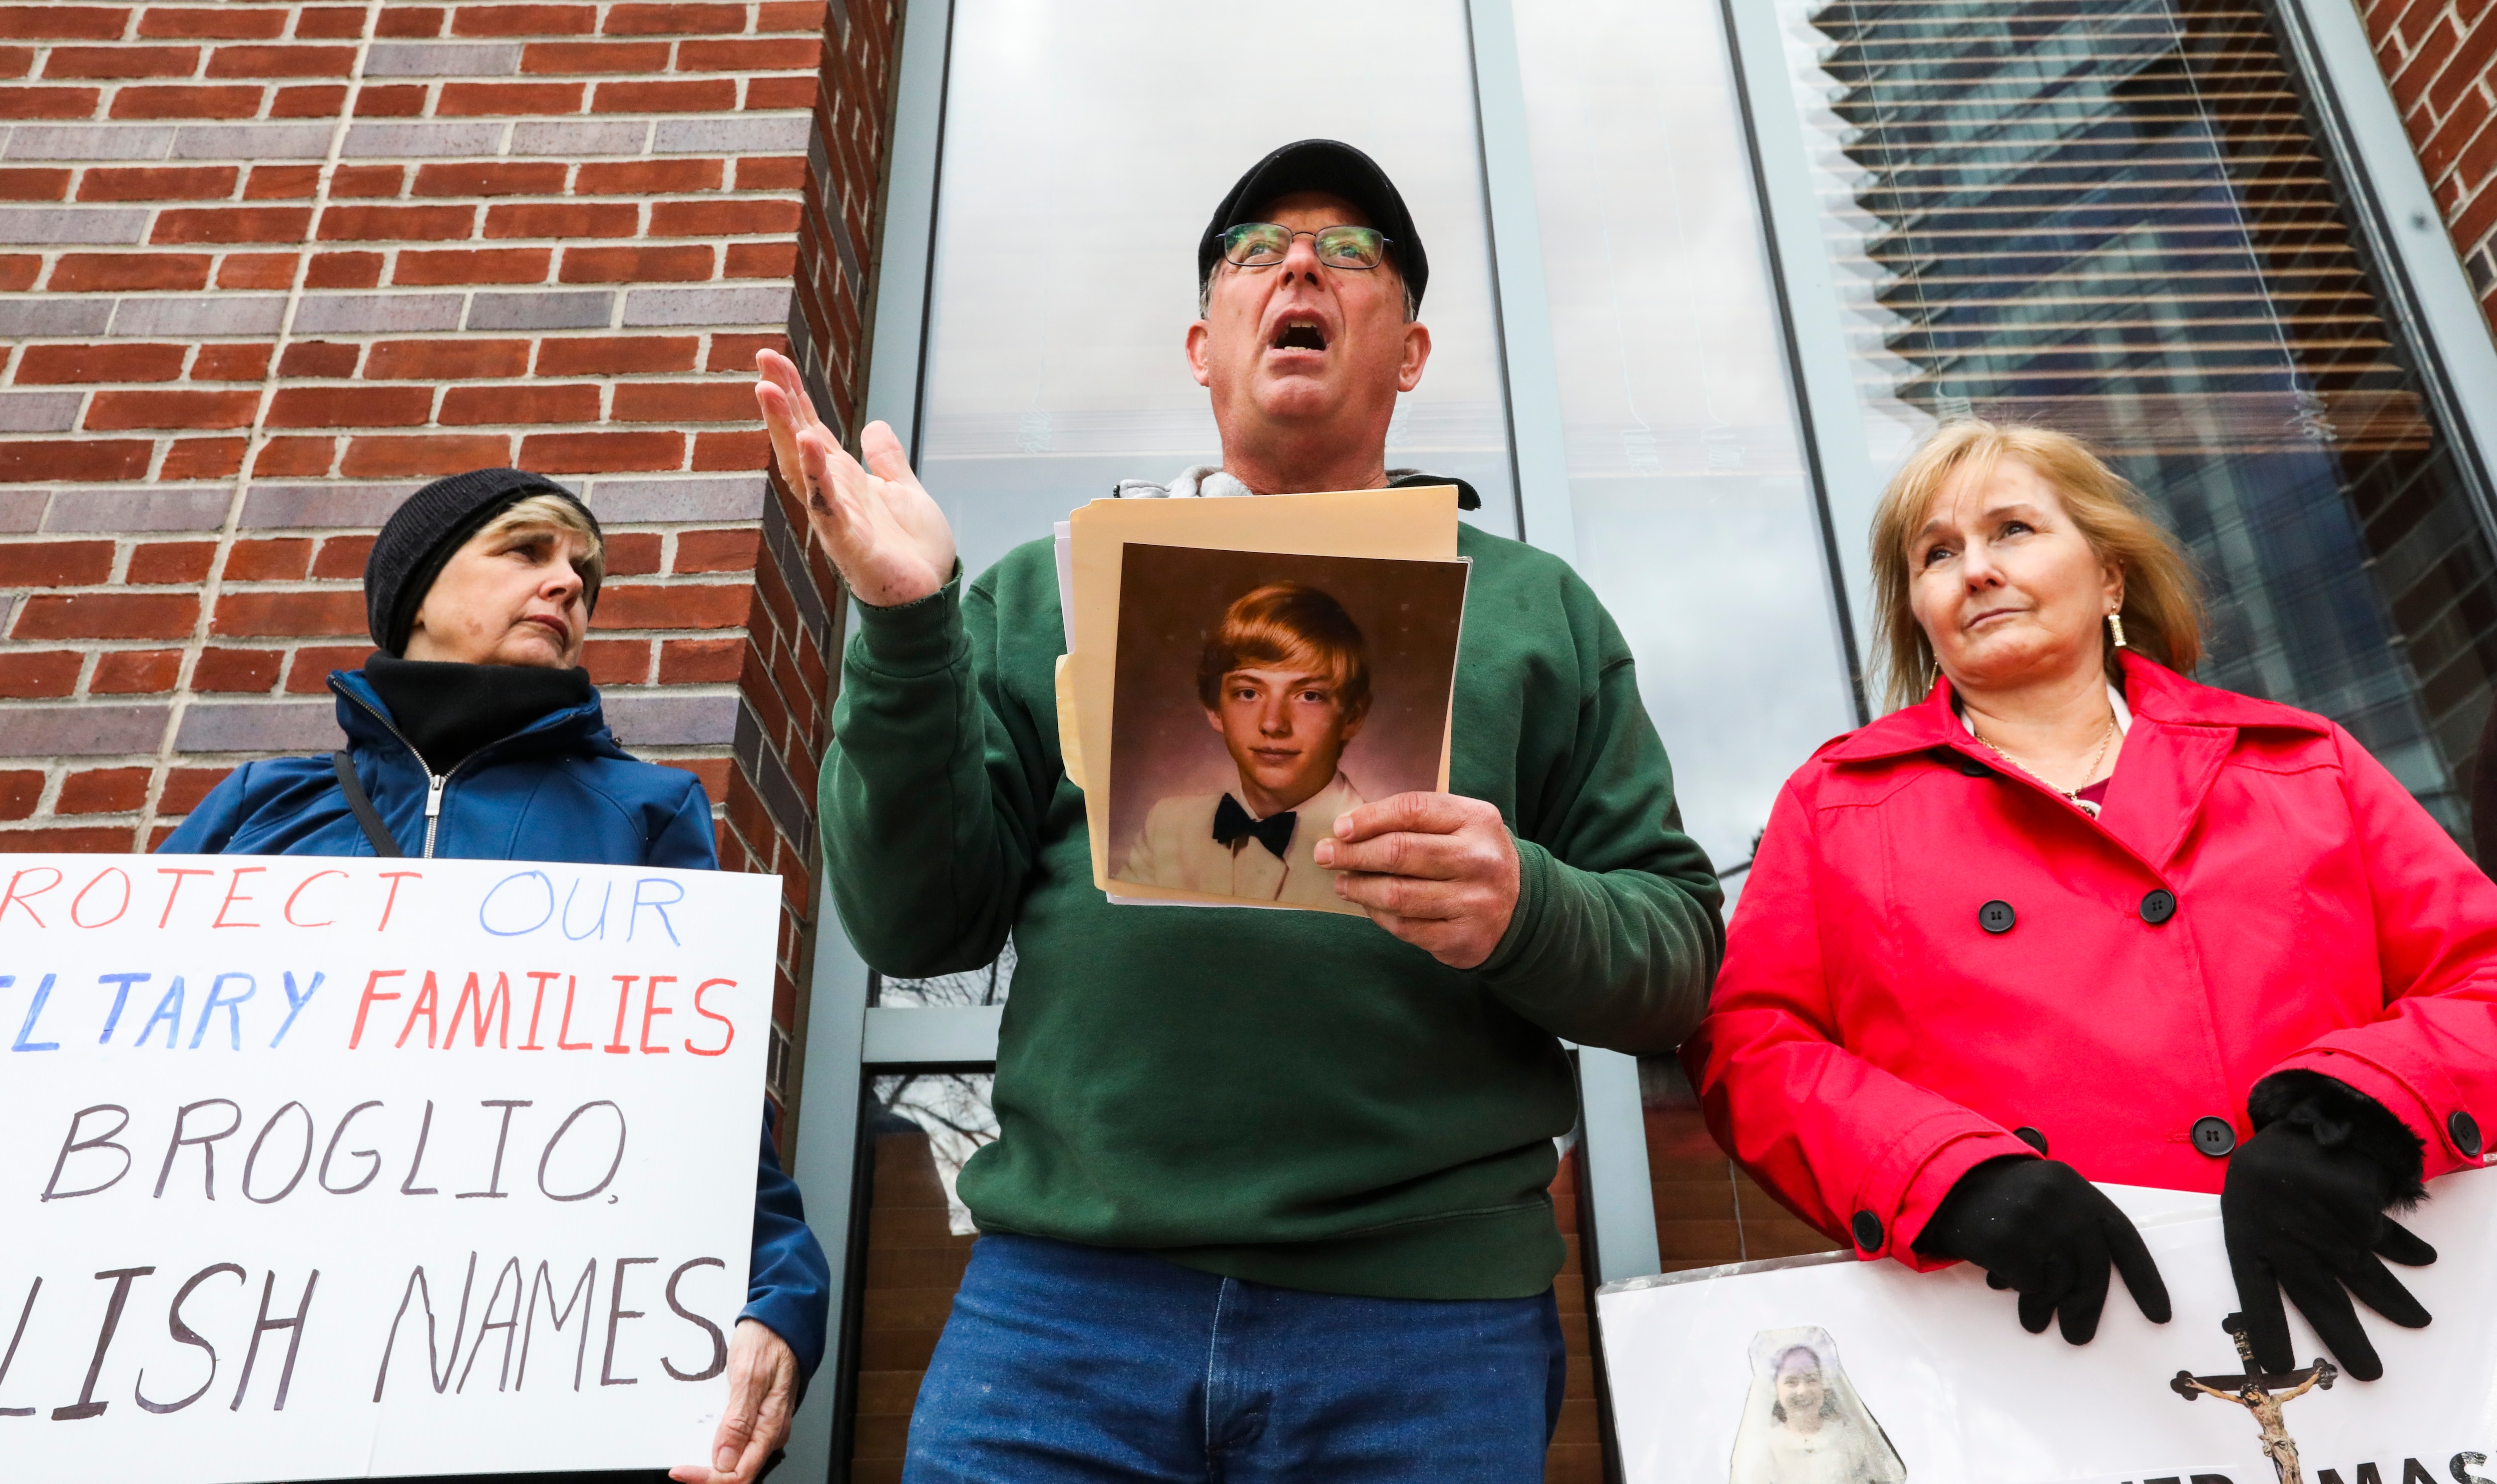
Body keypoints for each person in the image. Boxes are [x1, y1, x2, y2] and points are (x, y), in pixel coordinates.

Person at [758, 137, 1724, 1479]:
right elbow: (915, 920)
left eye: (1353, 251)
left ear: (1412, 350)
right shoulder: (1050, 588)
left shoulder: (1534, 609)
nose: (1302, 266)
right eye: (1255, 252)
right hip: (1060, 1318)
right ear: (1203, 345)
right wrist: (909, 627)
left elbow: (1678, 955)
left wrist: (1529, 906)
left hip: (1424, 1335)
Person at [1683, 419, 2497, 1385]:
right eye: (1938, 553)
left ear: (2111, 575)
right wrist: (1950, 1175)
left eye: (2014, 529)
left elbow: (2480, 972)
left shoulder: (2300, 762)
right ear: (1920, 609)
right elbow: (1756, 1045)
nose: (1976, 569)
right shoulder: (1837, 802)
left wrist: (2359, 1124)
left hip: (2368, 1301)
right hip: (2035, 1345)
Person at [161, 467, 832, 1484]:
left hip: (525, 1389)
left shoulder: (643, 815)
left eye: (583, 572)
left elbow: (704, 1105)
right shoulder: (258, 811)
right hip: (246, 1372)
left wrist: (777, 1295)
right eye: (526, 550)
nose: (568, 582)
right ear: (419, 593)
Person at [1118, 579, 1373, 907]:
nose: (1273, 723)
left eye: (1309, 696)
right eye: (1248, 693)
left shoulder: (1381, 852)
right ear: (1214, 709)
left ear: (1352, 716)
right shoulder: (1168, 825)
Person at [1728, 1337, 1903, 1484]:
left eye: (1811, 1379)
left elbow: (1889, 1475)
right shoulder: (1767, 1448)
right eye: (1791, 1382)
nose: (1803, 1390)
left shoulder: (1850, 1439)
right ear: (1776, 1389)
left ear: (1823, 1384)